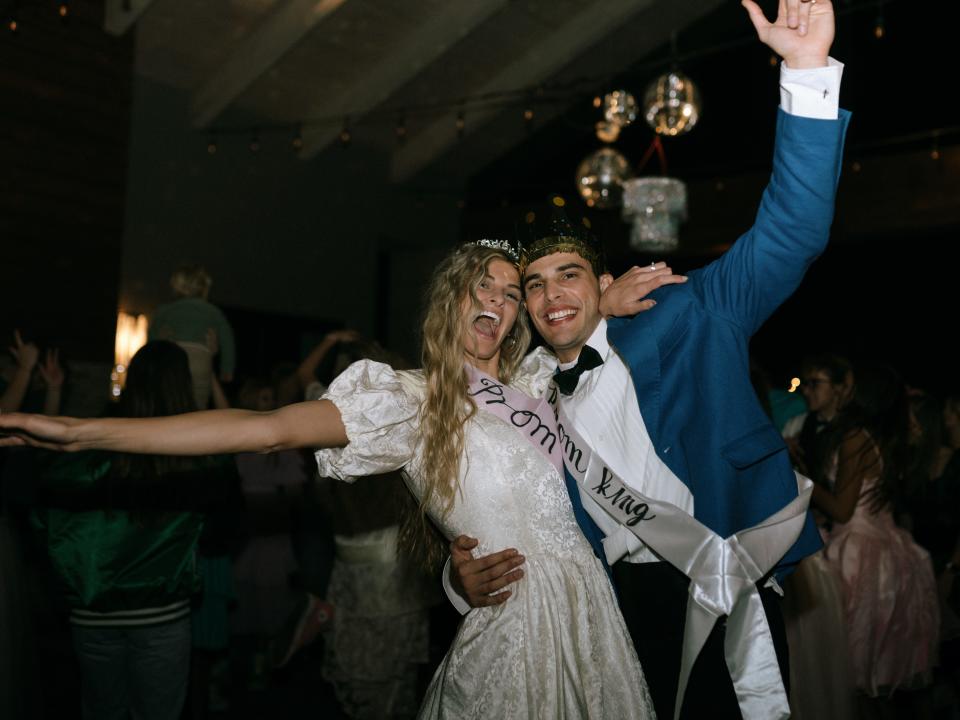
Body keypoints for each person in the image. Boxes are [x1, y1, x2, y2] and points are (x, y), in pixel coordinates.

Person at [0, 243, 680, 718]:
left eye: (511, 292)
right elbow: (265, 430)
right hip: (512, 633)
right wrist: (84, 430)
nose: (498, 299)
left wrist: (607, 302)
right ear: (452, 301)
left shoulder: (539, 383)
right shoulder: (408, 402)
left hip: (594, 620)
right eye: (483, 284)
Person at [449, 2, 848, 718]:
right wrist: (461, 580)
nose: (549, 296)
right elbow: (503, 519)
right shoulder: (527, 396)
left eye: (568, 274)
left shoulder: (692, 315)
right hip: (608, 617)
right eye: (533, 285)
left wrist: (806, 70)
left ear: (604, 286)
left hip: (721, 581)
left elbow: (793, 231)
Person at [29, 341, 240, 720]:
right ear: (183, 384)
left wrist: (55, 395)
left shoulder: (95, 449)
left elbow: (43, 494)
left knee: (102, 712)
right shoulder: (195, 460)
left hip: (92, 613)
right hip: (162, 615)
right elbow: (238, 451)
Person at [149, 263, 236, 409]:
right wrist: (227, 369)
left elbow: (151, 339)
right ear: (204, 288)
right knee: (198, 403)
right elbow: (227, 339)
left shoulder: (164, 311)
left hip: (172, 359)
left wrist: (154, 358)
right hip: (200, 357)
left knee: (169, 400)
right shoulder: (212, 311)